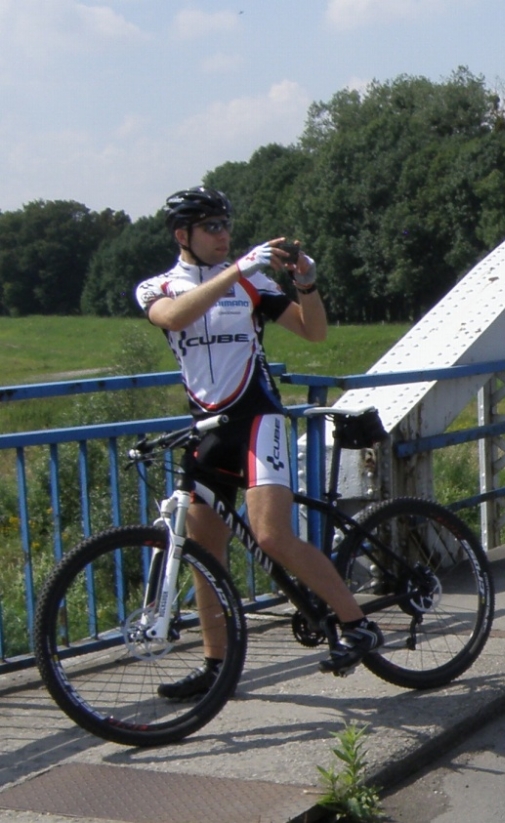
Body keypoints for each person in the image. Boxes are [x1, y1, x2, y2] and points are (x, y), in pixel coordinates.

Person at [135, 187, 382, 698]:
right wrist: (240, 270)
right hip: (208, 429)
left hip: (258, 420)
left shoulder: (251, 284)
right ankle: (215, 667)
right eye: (211, 227)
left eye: (226, 225)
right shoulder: (158, 286)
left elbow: (313, 333)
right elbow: (175, 317)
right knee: (205, 554)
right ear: (183, 235)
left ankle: (357, 624)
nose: (223, 235)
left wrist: (306, 283)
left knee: (271, 535)